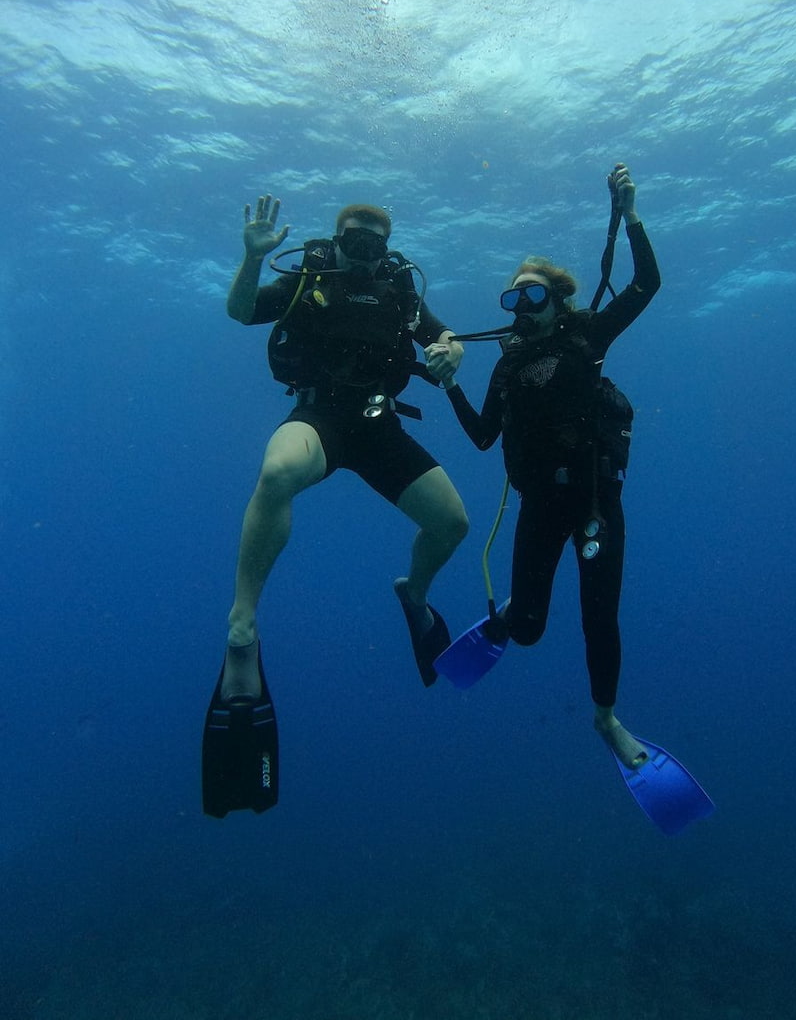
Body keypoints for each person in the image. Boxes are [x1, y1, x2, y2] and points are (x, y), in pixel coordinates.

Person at [202, 195, 468, 816]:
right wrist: (251, 258)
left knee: (452, 523)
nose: (366, 251)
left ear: (389, 245)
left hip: (379, 427)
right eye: (356, 239)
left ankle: (416, 595)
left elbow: (444, 338)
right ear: (337, 237)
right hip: (319, 414)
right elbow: (241, 310)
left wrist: (450, 351)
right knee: (277, 470)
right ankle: (243, 623)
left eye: (377, 242)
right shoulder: (307, 277)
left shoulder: (401, 289)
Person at [435, 164, 661, 770]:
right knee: (528, 631)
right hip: (538, 505)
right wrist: (452, 384)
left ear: (557, 300)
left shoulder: (586, 336)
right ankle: (515, 612)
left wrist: (631, 214)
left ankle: (606, 718)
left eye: (532, 293)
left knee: (598, 618)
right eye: (513, 296)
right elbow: (485, 438)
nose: (519, 305)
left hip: (592, 501)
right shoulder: (506, 367)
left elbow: (644, 284)